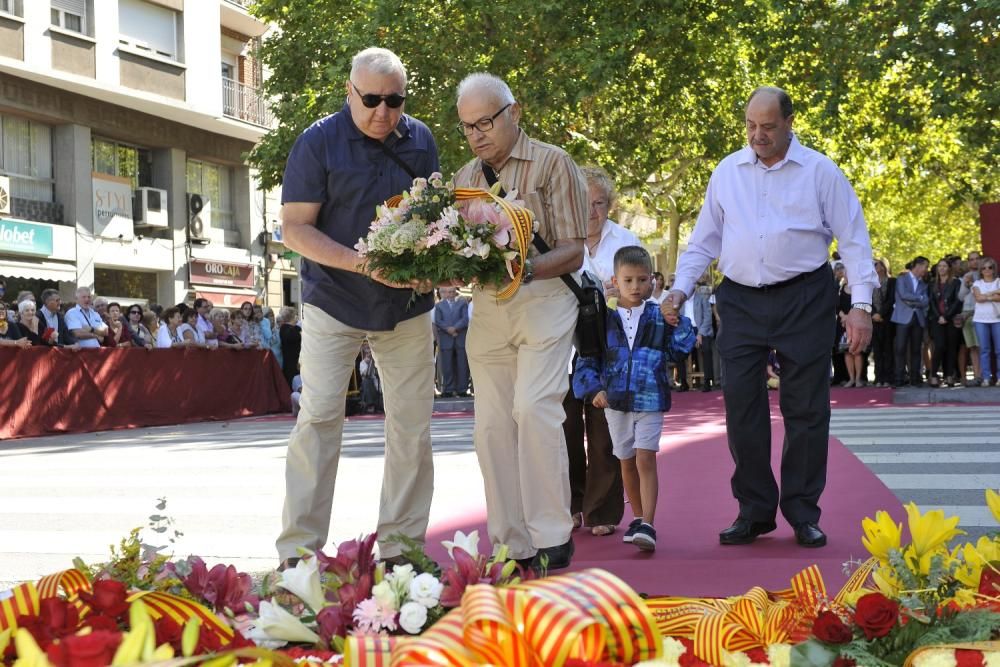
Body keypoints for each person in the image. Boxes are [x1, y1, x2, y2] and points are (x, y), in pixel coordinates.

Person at [664, 86, 877, 549]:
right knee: (742, 405)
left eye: (768, 126)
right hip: (740, 299)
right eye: (750, 125)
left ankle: (802, 512)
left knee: (805, 409)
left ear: (789, 123)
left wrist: (860, 306)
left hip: (805, 298)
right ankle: (755, 511)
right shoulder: (727, 171)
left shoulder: (820, 171)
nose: (757, 135)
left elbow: (854, 241)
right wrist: (679, 289)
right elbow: (704, 241)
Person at [275, 47, 440, 569]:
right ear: (349, 91)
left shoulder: (421, 141)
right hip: (333, 299)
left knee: (412, 425)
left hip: (408, 305)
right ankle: (298, 555)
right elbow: (295, 228)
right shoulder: (315, 142)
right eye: (371, 100)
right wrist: (363, 265)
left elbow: (434, 221)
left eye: (394, 101)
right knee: (320, 418)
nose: (383, 112)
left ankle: (402, 550)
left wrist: (434, 264)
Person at [453, 72, 587, 570]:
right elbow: (459, 253)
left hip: (545, 298)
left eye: (485, 121)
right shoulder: (464, 179)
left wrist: (521, 268)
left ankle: (552, 535)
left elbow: (574, 251)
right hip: (487, 309)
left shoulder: (554, 163)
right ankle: (512, 543)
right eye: (467, 126)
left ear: (515, 112)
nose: (477, 134)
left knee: (534, 410)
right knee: (490, 427)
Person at [573, 246, 694, 552]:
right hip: (615, 403)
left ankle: (649, 524)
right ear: (615, 280)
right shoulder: (605, 320)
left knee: (645, 457)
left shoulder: (657, 316)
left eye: (642, 280)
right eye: (628, 280)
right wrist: (593, 389)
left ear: (652, 281)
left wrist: (678, 321)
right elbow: (589, 357)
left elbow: (678, 350)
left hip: (650, 400)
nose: (635, 287)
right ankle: (638, 519)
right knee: (625, 461)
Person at [563, 165, 636, 537]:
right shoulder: (557, 238)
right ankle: (571, 504)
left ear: (610, 205)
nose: (592, 212)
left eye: (599, 203)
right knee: (564, 429)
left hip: (610, 348)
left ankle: (602, 510)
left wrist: (618, 294)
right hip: (561, 347)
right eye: (584, 202)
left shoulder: (626, 240)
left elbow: (641, 291)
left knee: (606, 429)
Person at [891, 256, 930, 387]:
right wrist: (919, 298)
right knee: (900, 349)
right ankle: (899, 379)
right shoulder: (902, 279)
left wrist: (914, 301)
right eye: (926, 266)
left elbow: (925, 302)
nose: (926, 269)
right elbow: (903, 295)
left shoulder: (923, 284)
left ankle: (915, 378)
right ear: (918, 265)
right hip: (902, 318)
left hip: (918, 319)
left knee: (916, 350)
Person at [927, 258, 962, 387]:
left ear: (949, 268)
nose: (941, 268)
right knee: (940, 346)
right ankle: (934, 374)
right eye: (939, 266)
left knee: (951, 348)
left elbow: (957, 302)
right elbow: (931, 303)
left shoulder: (956, 282)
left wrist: (946, 316)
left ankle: (948, 375)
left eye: (944, 266)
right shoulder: (932, 284)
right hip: (937, 320)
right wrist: (939, 316)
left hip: (951, 319)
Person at [433, 287, 470, 397]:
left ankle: (462, 389)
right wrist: (448, 329)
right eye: (446, 292)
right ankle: (447, 389)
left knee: (462, 364)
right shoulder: (438, 306)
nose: (449, 294)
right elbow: (438, 320)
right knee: (446, 366)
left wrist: (455, 328)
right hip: (446, 338)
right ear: (442, 293)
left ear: (455, 292)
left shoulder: (462, 303)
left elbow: (465, 319)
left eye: (451, 292)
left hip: (460, 337)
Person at [971, 257, 1000, 386]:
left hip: (997, 319)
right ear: (980, 270)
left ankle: (999, 377)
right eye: (984, 268)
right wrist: (993, 295)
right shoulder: (977, 283)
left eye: (990, 267)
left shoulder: (999, 281)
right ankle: (986, 377)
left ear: (994, 269)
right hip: (980, 319)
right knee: (984, 349)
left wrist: (986, 295)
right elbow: (978, 298)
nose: (987, 270)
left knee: (999, 350)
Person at [871, 259, 895, 387]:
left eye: (880, 265)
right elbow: (867, 299)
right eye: (875, 266)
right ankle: (878, 377)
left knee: (888, 349)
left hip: (887, 319)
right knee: (877, 350)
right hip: (873, 320)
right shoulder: (870, 283)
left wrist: (881, 313)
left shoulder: (892, 281)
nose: (878, 268)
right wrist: (874, 314)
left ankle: (888, 377)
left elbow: (891, 299)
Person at [277, 306, 302, 389]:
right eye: (295, 315)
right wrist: (298, 327)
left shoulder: (291, 328)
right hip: (291, 362)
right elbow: (293, 336)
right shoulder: (284, 328)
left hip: (297, 360)